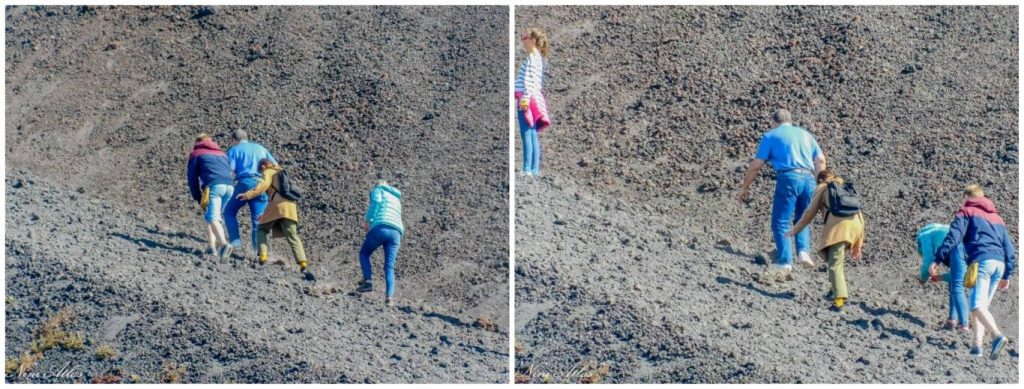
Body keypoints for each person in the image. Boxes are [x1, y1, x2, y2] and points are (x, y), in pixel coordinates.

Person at [737, 109, 827, 272]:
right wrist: (819, 183)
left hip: (788, 178)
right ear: (790, 121)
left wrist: (744, 187)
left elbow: (756, 165)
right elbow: (820, 160)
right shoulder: (806, 135)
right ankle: (803, 252)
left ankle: (785, 262)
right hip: (808, 178)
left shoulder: (771, 135)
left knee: (781, 221)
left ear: (774, 122)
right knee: (803, 217)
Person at [933, 184, 1015, 359]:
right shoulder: (997, 218)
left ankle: (996, 336)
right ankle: (977, 346)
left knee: (976, 305)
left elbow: (953, 236)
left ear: (968, 197)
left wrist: (938, 258)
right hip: (998, 264)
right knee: (981, 307)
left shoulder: (966, 212)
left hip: (982, 262)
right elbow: (1010, 249)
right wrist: (1007, 274)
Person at [788, 169, 865, 312]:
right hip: (856, 226)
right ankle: (832, 289)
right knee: (833, 258)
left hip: (839, 228)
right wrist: (858, 244)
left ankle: (839, 300)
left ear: (820, 180)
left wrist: (795, 229)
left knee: (835, 264)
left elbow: (810, 212)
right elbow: (859, 214)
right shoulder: (845, 187)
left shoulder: (823, 187)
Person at [235, 159, 308, 272]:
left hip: (277, 206)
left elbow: (263, 186)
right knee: (292, 235)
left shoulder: (268, 171)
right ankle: (302, 262)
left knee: (261, 229)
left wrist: (247, 195)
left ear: (263, 166)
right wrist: (265, 214)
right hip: (290, 207)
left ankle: (263, 256)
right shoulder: (281, 171)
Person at [223, 129, 277, 253]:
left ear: (233, 140)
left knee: (229, 211)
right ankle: (259, 251)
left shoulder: (233, 151)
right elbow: (274, 166)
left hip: (245, 183)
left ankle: (235, 242)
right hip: (261, 185)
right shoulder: (261, 148)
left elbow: (230, 171)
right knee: (257, 220)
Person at [355, 179, 405, 307]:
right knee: (389, 266)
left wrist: (367, 221)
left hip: (381, 227)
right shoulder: (396, 197)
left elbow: (376, 203)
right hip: (396, 233)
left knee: (364, 253)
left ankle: (368, 282)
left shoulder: (378, 190)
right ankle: (389, 298)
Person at [186, 134, 235, 262]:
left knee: (212, 217)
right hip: (229, 186)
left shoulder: (196, 153)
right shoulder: (222, 154)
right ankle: (211, 247)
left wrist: (197, 196)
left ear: (197, 142)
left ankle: (224, 245)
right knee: (213, 215)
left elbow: (192, 178)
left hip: (214, 186)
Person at [916, 223, 969, 332]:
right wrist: (941, 277)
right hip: (966, 250)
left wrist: (922, 278)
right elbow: (956, 275)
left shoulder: (925, 236)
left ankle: (963, 325)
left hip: (956, 249)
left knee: (957, 288)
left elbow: (928, 260)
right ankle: (952, 319)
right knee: (955, 284)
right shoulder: (941, 231)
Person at [515, 28, 550, 177]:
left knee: (527, 134)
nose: (523, 40)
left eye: (525, 37)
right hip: (535, 98)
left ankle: (527, 169)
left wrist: (525, 98)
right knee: (532, 134)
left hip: (527, 99)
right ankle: (534, 170)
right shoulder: (538, 58)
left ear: (533, 40)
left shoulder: (531, 58)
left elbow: (529, 81)